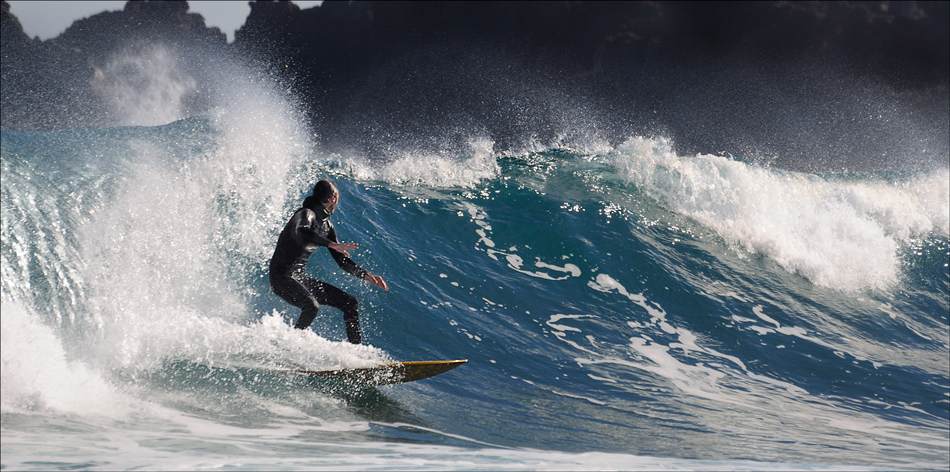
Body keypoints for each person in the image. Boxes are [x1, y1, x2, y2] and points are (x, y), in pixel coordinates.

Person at [269, 179, 388, 344]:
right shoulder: (305, 214)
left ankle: (356, 355)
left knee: (350, 302)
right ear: (333, 198)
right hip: (281, 277)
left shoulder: (327, 227)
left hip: (299, 278)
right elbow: (302, 231)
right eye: (337, 199)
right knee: (311, 306)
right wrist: (331, 244)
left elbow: (341, 260)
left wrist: (367, 275)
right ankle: (289, 347)